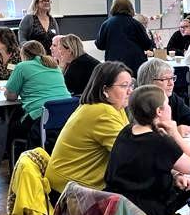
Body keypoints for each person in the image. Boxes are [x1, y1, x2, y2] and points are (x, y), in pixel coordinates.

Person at [104, 84, 190, 215]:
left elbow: (143, 166)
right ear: (159, 112)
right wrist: (175, 133)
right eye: (167, 104)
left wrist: (174, 176)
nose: (170, 108)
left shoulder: (126, 132)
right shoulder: (160, 142)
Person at [45, 62, 132, 194]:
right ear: (105, 90)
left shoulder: (113, 107)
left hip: (72, 182)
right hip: (70, 189)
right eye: (124, 86)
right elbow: (130, 153)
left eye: (131, 85)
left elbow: (130, 141)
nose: (130, 91)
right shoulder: (102, 111)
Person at [4, 41, 72, 148]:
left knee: (9, 128)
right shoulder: (54, 65)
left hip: (40, 116)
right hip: (66, 115)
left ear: (24, 54)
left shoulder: (22, 66)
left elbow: (10, 96)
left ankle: (15, 161)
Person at [136, 57, 190, 136]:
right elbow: (145, 136)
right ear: (149, 81)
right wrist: (174, 131)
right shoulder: (140, 103)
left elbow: (189, 116)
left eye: (172, 78)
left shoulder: (172, 98)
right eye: (165, 79)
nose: (171, 83)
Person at [95, 0, 155, 73]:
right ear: (130, 8)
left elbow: (100, 45)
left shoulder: (106, 24)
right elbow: (147, 44)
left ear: (113, 8)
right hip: (135, 65)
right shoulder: (136, 24)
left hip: (114, 65)